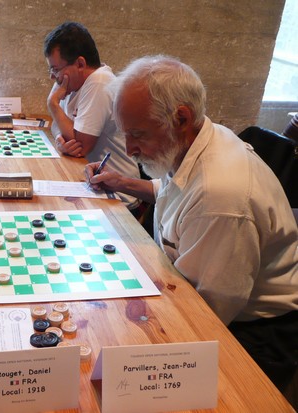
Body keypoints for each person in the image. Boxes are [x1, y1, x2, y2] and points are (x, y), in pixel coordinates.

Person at [86, 55, 298, 391]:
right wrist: (122, 183)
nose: (130, 148)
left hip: (253, 333)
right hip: (200, 294)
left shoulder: (221, 198)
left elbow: (205, 315)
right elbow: (173, 191)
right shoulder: (198, 139)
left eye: (138, 134)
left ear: (181, 117)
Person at [44, 22, 140, 209]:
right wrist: (59, 139)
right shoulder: (69, 81)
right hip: (90, 183)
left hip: (118, 196)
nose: (52, 77)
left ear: (80, 63)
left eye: (55, 69)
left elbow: (81, 146)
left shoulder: (99, 82)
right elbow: (56, 124)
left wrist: (52, 105)